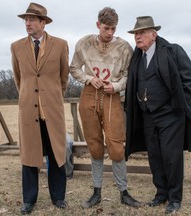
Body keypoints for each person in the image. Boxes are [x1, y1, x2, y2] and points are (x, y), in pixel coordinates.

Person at [125, 16, 191, 214]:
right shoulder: (137, 57)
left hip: (171, 115)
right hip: (147, 115)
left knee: (172, 157)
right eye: (136, 33)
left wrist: (178, 104)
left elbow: (189, 78)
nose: (138, 37)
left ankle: (174, 198)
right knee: (155, 156)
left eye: (142, 33)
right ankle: (161, 194)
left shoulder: (172, 50)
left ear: (154, 34)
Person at [70, 7, 141, 208]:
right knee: (94, 144)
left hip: (112, 97)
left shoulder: (124, 47)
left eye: (113, 28)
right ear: (98, 25)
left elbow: (128, 74)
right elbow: (74, 68)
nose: (109, 32)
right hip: (90, 94)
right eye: (106, 28)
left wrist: (116, 86)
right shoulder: (84, 43)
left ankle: (124, 192)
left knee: (116, 145)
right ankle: (96, 191)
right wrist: (89, 78)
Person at [11, 2, 69, 215]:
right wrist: (29, 98)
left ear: (43, 23)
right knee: (29, 156)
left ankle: (58, 197)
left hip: (51, 110)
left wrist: (51, 98)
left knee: (56, 154)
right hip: (28, 110)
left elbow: (64, 78)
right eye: (26, 19)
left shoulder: (61, 45)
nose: (28, 23)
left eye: (32, 19)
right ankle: (29, 200)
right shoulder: (16, 47)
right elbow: (19, 80)